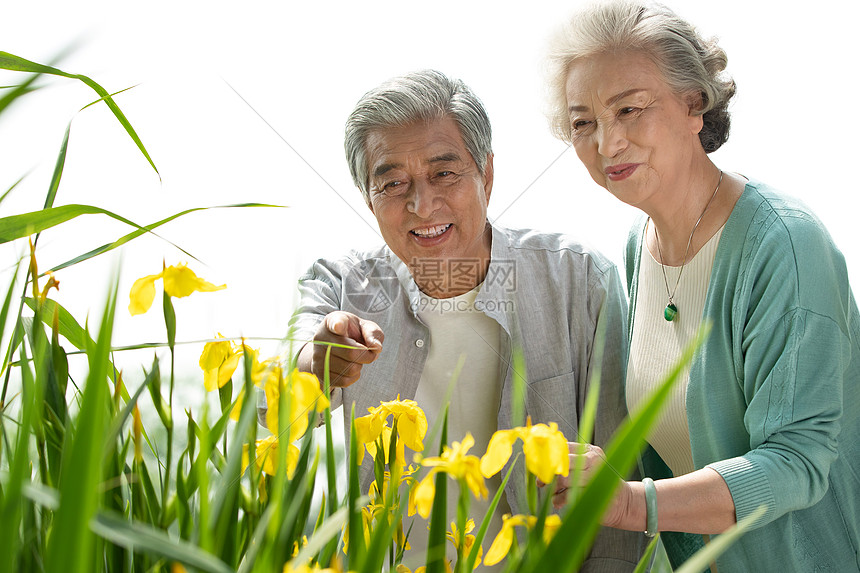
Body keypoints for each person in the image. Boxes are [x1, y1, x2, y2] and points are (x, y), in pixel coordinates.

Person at [543, 1, 860, 571]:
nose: (607, 143)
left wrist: (629, 504)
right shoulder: (643, 247)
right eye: (583, 122)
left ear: (695, 105)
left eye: (630, 109)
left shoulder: (784, 244)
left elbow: (798, 462)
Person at [285, 69, 643, 571]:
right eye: (392, 183)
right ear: (369, 199)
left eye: (444, 173)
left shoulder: (580, 281)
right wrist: (313, 363)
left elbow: (617, 480)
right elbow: (279, 390)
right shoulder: (339, 285)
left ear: (487, 174)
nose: (421, 204)